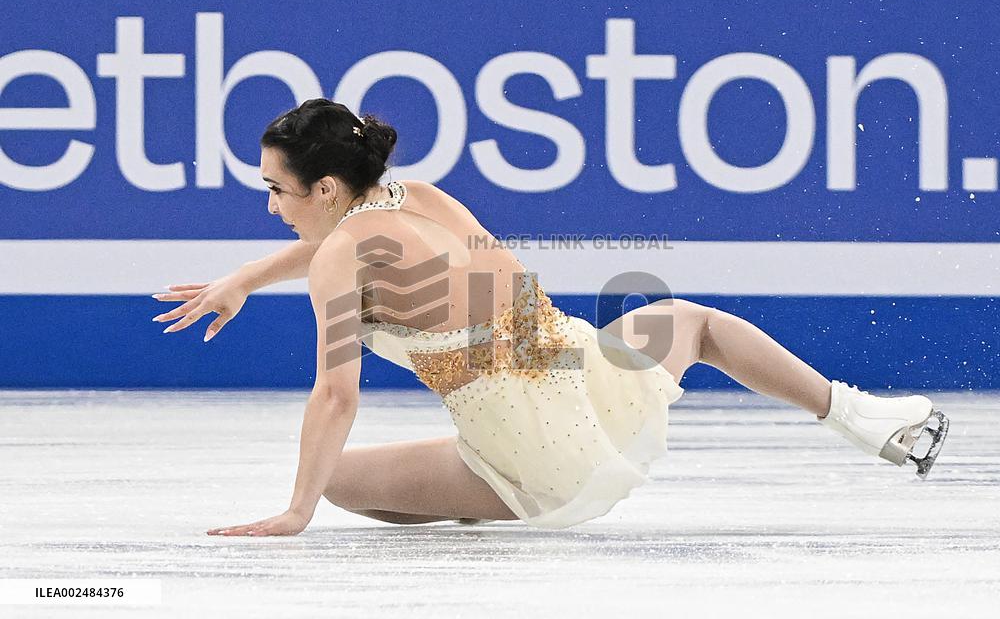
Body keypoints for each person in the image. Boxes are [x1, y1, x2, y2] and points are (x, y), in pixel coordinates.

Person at [152, 98, 948, 536]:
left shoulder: (339, 259)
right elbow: (378, 245)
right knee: (691, 323)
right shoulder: (413, 196)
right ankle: (858, 415)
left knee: (336, 487)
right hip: (580, 372)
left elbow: (337, 395)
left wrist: (296, 508)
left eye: (276, 189)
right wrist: (248, 277)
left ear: (324, 188)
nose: (270, 204)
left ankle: (498, 490)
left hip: (531, 450)